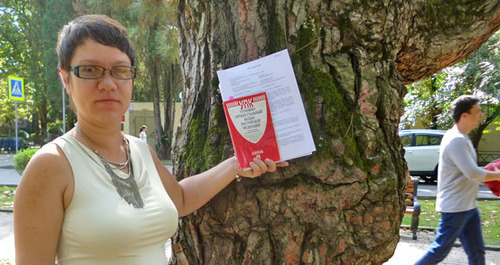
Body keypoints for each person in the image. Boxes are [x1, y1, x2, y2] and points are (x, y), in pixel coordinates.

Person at [13, 14, 288, 265]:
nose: (108, 83)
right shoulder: (51, 166)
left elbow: (180, 199)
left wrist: (236, 164)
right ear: (65, 79)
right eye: (90, 70)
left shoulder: (139, 149)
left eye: (120, 70)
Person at [415, 95, 500, 265]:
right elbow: (473, 174)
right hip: (455, 208)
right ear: (465, 115)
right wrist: (497, 175)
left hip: (467, 206)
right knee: (439, 251)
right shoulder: (456, 140)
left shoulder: (462, 137)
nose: (481, 115)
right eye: (478, 111)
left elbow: (468, 171)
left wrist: (489, 171)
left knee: (477, 252)